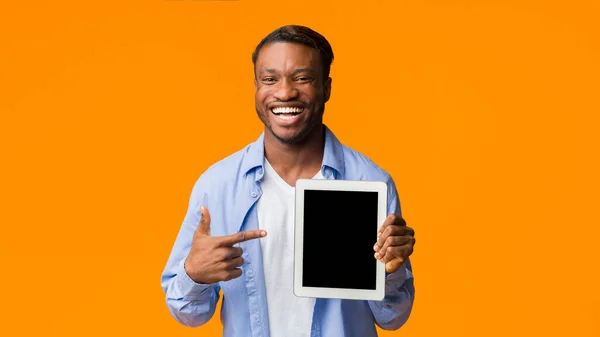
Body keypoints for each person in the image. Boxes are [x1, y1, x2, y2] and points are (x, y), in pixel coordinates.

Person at [160, 25, 416, 337]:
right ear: (256, 87)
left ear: (326, 87)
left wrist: (392, 270)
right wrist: (195, 275)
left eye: (302, 78)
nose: (284, 92)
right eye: (270, 79)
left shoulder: (371, 183)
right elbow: (189, 313)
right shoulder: (218, 186)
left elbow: (392, 317)